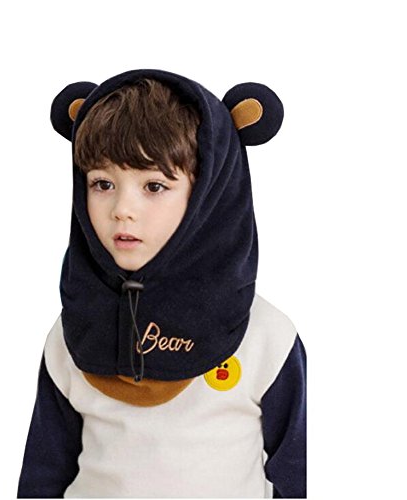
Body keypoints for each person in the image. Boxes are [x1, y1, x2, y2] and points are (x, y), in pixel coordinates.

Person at [17, 69, 306, 498]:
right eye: (102, 183)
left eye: (154, 185)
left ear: (209, 193)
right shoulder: (72, 330)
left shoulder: (266, 336)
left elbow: (298, 474)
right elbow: (44, 471)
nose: (122, 209)